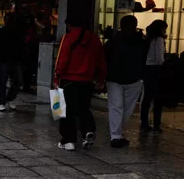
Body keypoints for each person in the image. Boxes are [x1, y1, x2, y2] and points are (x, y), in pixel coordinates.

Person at [54, 17, 106, 151]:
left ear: (69, 25)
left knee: (66, 111)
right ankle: (88, 131)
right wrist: (101, 77)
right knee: (83, 108)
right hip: (86, 81)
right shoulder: (95, 39)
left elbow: (62, 59)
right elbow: (101, 60)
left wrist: (56, 76)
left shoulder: (68, 38)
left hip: (68, 79)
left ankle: (68, 141)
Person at [105, 15, 149, 148]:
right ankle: (116, 134)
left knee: (117, 107)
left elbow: (106, 58)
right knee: (126, 108)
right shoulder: (141, 41)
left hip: (115, 78)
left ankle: (116, 134)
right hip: (133, 78)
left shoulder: (113, 41)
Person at [141, 20, 168, 133]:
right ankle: (156, 124)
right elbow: (160, 59)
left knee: (147, 98)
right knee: (158, 99)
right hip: (156, 70)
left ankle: (144, 122)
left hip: (147, 69)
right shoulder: (159, 40)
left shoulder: (148, 39)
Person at [0, 13, 22, 112]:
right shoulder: (1, 32)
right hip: (3, 60)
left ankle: (9, 98)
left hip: (14, 59)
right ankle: (1, 102)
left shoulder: (17, 32)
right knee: (2, 81)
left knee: (17, 80)